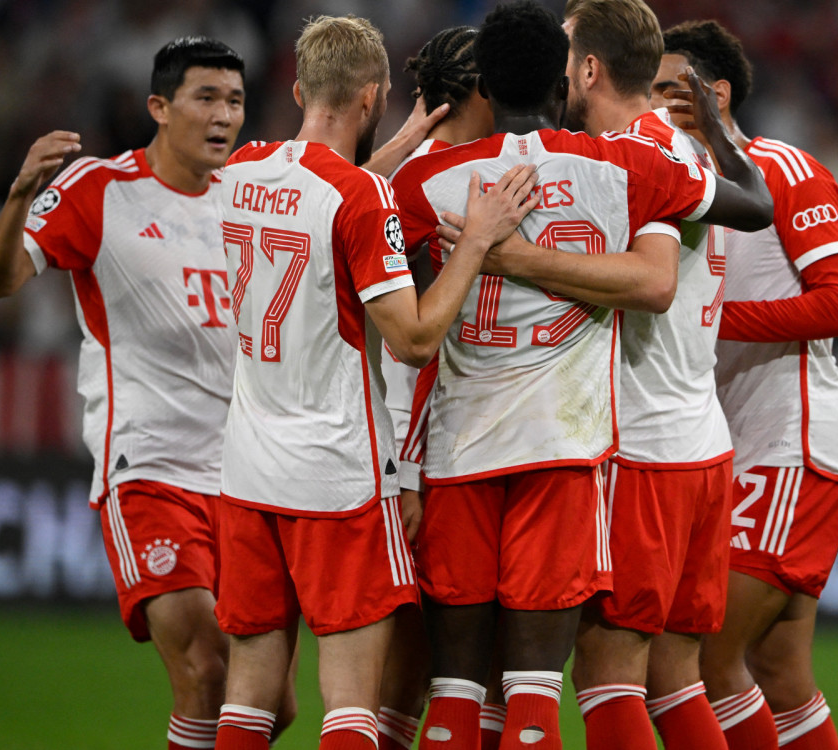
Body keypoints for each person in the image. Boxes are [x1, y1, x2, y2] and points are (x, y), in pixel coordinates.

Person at [389, 3, 769, 749]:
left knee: (458, 687)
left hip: (460, 449)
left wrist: (405, 148)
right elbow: (752, 208)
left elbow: (346, 226)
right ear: (559, 80)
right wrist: (719, 126)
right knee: (544, 686)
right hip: (569, 453)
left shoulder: (427, 179)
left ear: (485, 86)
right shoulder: (628, 165)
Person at [209, 15, 538, 750]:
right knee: (352, 703)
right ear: (373, 95)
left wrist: (384, 155)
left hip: (245, 467)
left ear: (297, 87)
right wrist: (478, 240)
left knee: (249, 699)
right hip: (335, 474)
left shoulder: (239, 171)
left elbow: (315, 191)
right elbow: (415, 339)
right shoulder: (361, 198)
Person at [0, 37, 298, 750]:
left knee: (272, 705)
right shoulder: (99, 190)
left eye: (236, 101)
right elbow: (0, 281)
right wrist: (19, 195)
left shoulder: (250, 197)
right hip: (150, 467)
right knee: (207, 668)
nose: (225, 116)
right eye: (206, 98)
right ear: (159, 106)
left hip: (249, 474)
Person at [654, 19, 838, 750]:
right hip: (734, 443)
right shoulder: (681, 186)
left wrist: (711, 316)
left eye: (665, 89)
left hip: (791, 437)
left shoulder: (782, 168)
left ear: (714, 95)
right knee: (777, 673)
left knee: (703, 660)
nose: (649, 103)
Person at [376, 24, 496, 750]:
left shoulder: (416, 173)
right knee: (420, 667)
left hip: (439, 440)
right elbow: (406, 336)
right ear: (480, 88)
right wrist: (406, 468)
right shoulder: (424, 181)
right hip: (420, 444)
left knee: (431, 667)